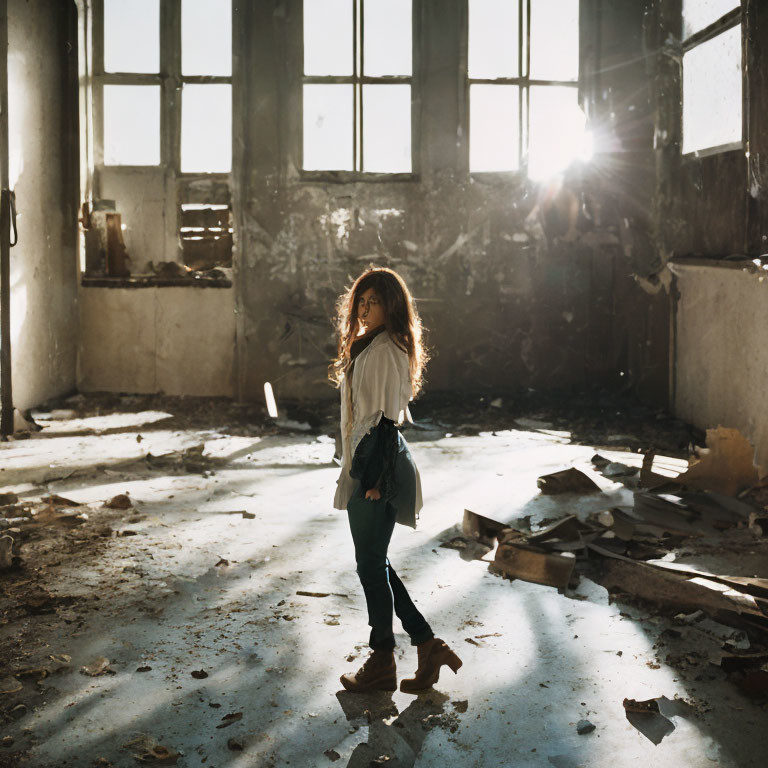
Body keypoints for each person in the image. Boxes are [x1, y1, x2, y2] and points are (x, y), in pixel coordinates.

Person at [329, 266, 462, 694]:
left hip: (377, 467)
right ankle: (427, 646)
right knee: (375, 563)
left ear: (391, 306)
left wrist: (376, 480)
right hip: (365, 463)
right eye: (361, 302)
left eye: (374, 302)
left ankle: (383, 658)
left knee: (370, 565)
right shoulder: (369, 344)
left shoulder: (385, 349)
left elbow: (385, 423)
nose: (365, 309)